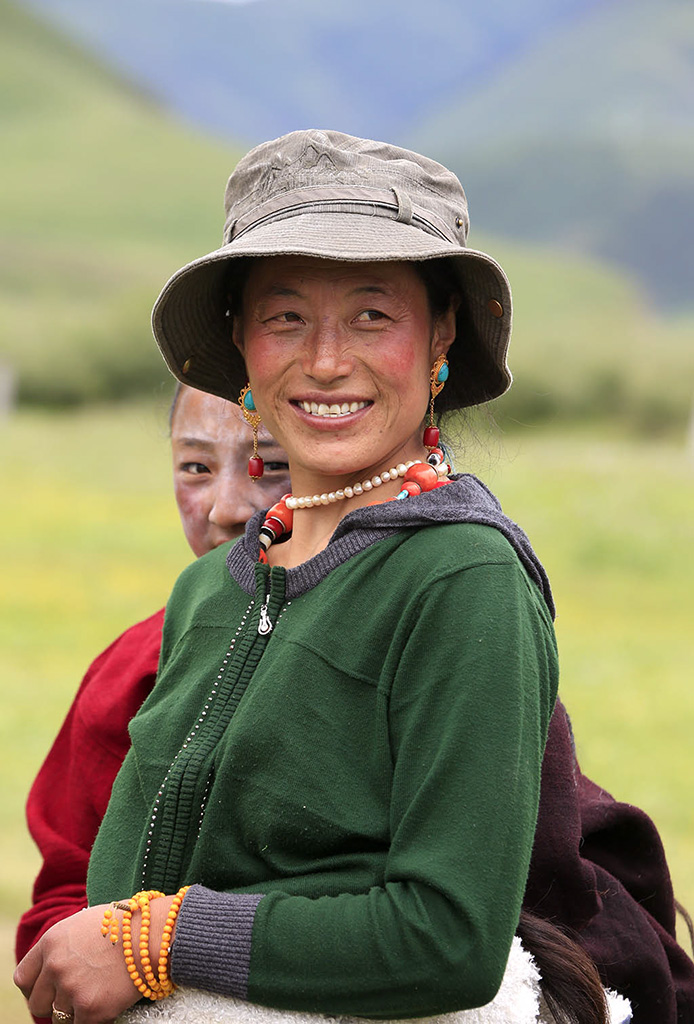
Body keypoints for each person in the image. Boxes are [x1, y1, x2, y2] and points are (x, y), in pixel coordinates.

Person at [14, 130, 692, 1024]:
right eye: (285, 315)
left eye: (374, 315)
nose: (327, 360)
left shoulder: (464, 578)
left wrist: (157, 941)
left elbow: (447, 939)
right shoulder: (209, 591)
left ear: (442, 334)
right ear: (240, 345)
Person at [15, 385, 290, 966]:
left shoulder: (432, 629)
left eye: (272, 466)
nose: (226, 508)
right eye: (195, 466)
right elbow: (61, 898)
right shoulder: (133, 668)